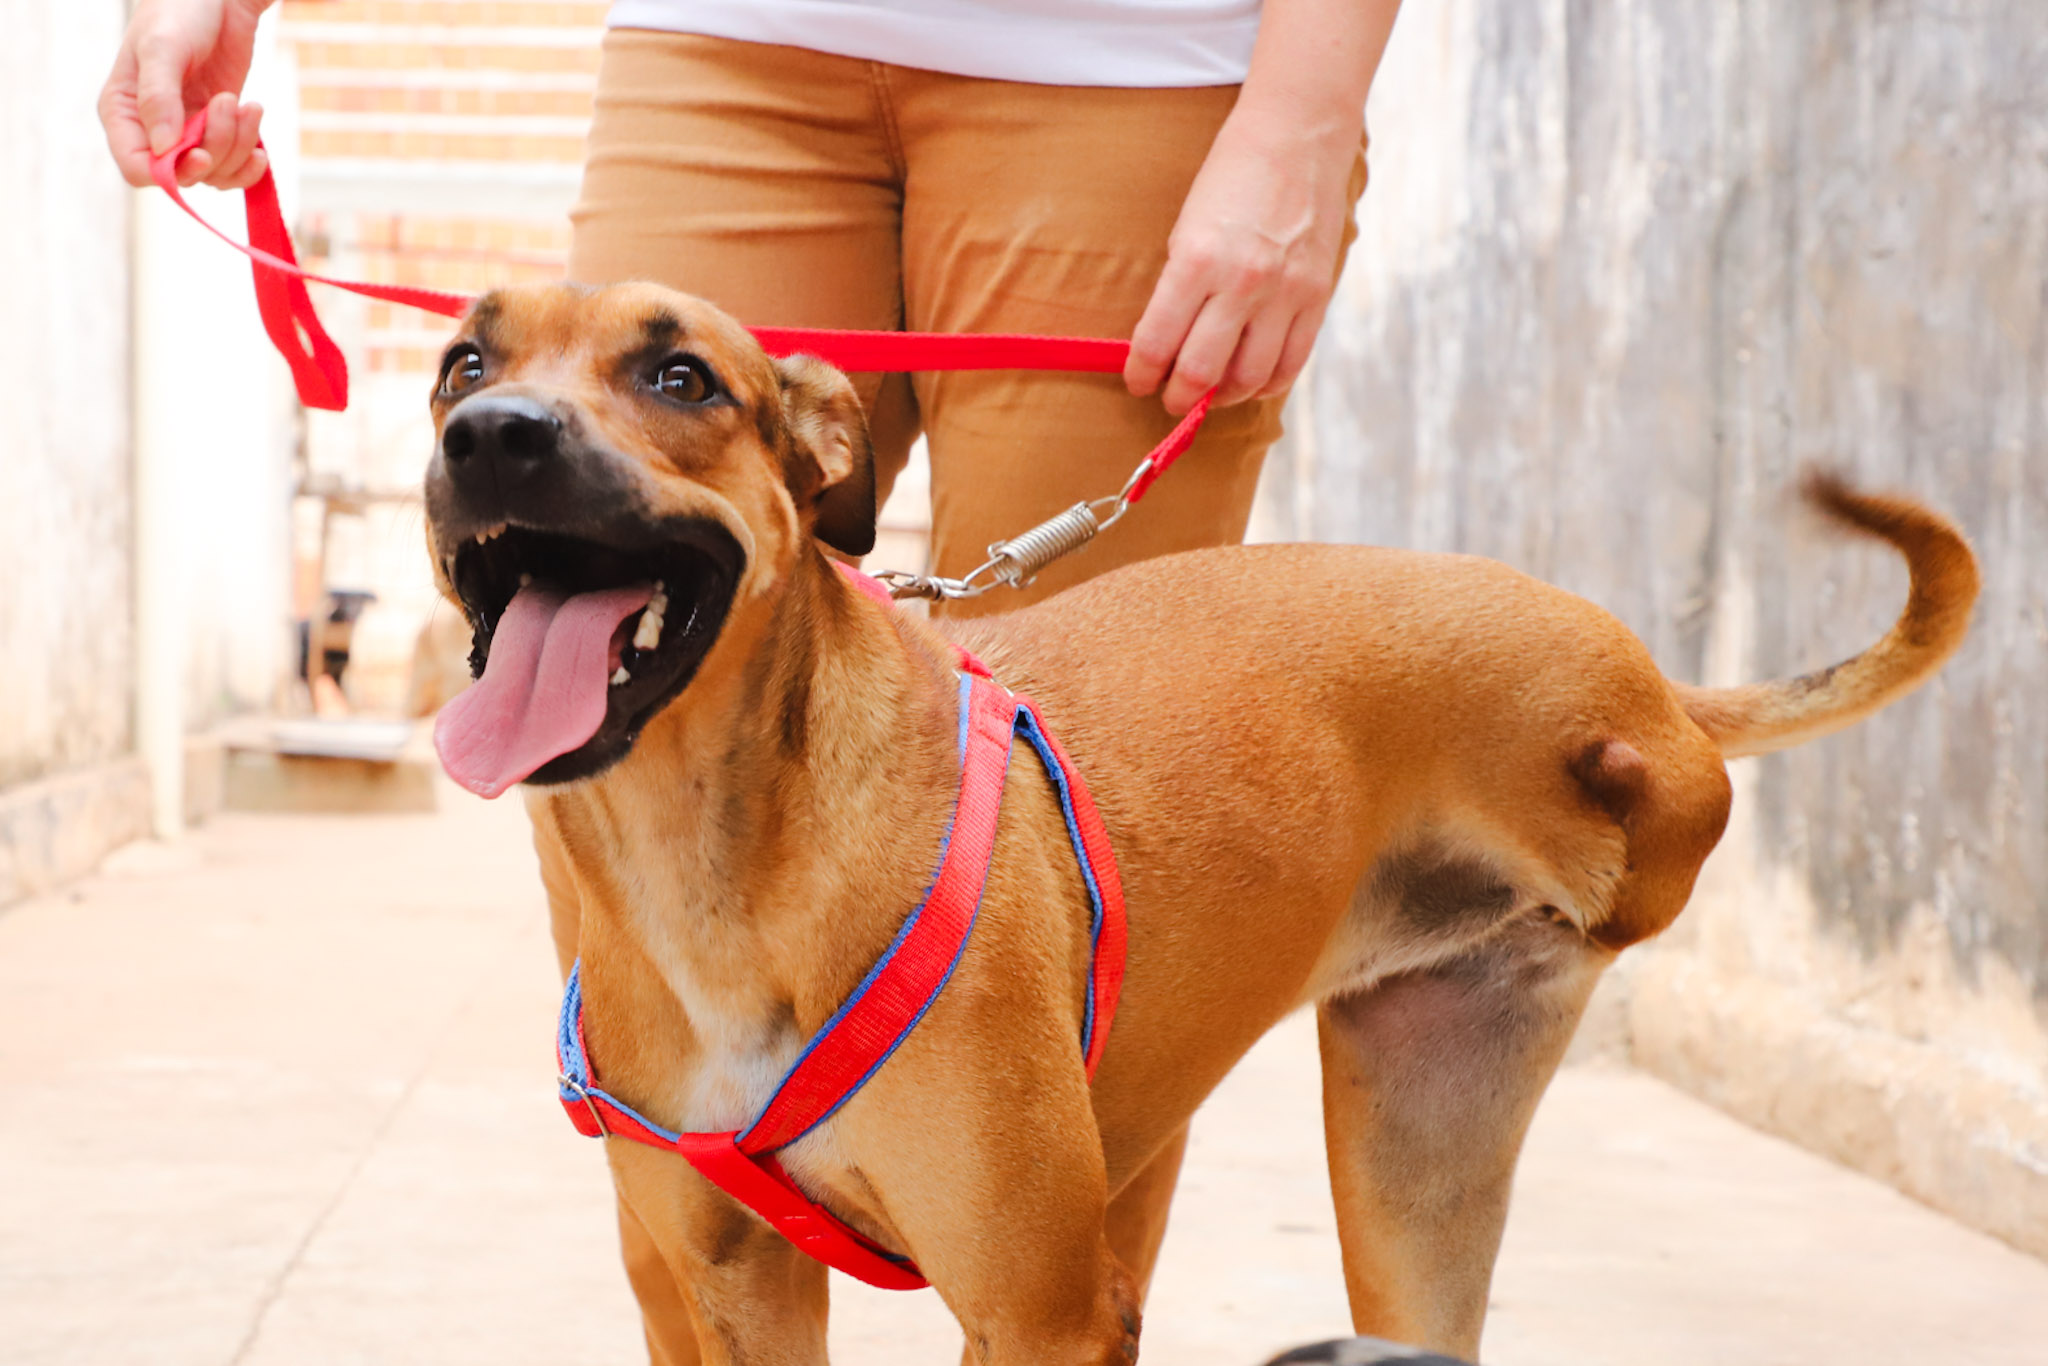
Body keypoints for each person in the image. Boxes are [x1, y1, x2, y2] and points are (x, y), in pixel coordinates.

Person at [102, 1, 1403, 1359]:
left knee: (1086, 867)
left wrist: (1300, 121)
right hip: (722, 44)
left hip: (1134, 69)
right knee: (633, 743)